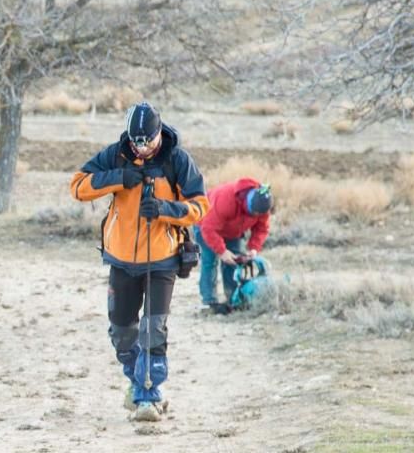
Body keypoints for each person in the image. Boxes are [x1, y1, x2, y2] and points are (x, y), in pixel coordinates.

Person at [70, 102, 208, 422]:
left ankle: (149, 394)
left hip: (162, 260)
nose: (141, 148)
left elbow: (200, 206)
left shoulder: (177, 160)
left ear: (158, 134)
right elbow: (77, 186)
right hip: (120, 259)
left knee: (153, 329)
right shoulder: (115, 154)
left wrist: (164, 209)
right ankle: (137, 380)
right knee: (121, 332)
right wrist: (119, 177)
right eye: (135, 141)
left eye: (146, 141)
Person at [194, 178, 273, 309]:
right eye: (253, 212)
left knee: (234, 262)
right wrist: (222, 251)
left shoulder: (262, 206)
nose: (256, 215)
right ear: (246, 202)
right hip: (205, 224)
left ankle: (232, 299)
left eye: (258, 214)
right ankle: (209, 302)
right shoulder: (226, 200)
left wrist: (254, 248)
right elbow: (208, 228)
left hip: (232, 231)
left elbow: (262, 229)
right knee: (210, 261)